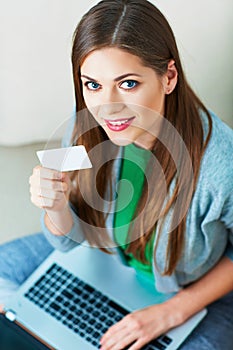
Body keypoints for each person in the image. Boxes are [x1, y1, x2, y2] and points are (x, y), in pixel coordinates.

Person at [1, 0, 233, 349]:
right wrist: (56, 208)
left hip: (190, 293)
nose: (107, 107)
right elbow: (67, 242)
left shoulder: (221, 163)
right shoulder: (86, 132)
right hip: (101, 260)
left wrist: (172, 312)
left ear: (169, 77)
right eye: (92, 85)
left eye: (127, 84)